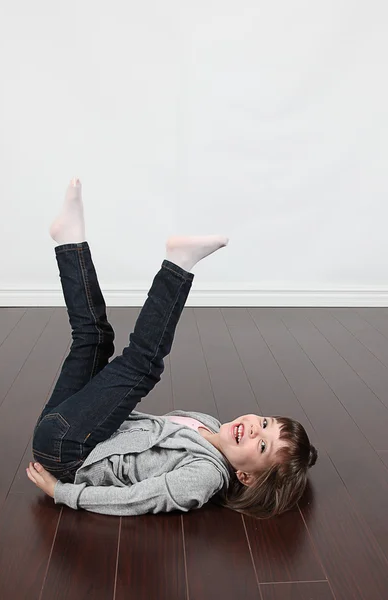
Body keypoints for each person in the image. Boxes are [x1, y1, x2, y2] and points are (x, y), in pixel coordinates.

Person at [27, 178, 318, 519]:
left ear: (246, 476)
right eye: (266, 423)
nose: (256, 429)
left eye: (263, 445)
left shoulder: (205, 476)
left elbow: (136, 499)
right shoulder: (206, 423)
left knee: (144, 364)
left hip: (69, 453)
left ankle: (178, 265)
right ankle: (69, 241)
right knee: (94, 338)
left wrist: (63, 493)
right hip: (69, 428)